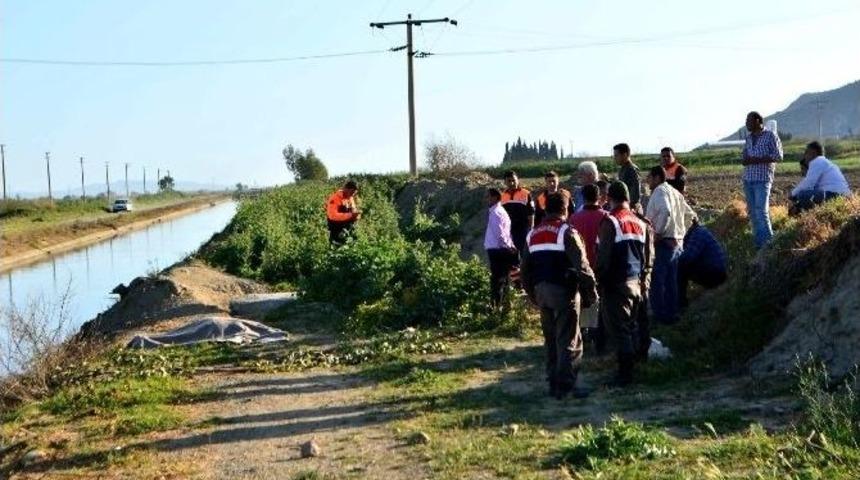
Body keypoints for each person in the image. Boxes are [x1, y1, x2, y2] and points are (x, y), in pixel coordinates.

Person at [521, 193, 597, 399]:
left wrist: (532, 294)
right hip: (564, 293)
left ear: (545, 210)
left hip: (541, 293)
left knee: (551, 339)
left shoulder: (532, 234)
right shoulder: (566, 232)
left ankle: (552, 381)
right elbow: (582, 267)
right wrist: (591, 292)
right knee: (569, 340)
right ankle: (566, 386)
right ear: (565, 210)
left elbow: (524, 269)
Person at [596, 182, 653, 387]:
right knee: (635, 327)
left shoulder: (611, 222)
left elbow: (603, 259)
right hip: (637, 282)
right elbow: (648, 257)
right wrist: (644, 281)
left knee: (620, 331)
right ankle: (640, 365)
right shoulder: (641, 223)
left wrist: (599, 282)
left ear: (610, 198)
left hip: (617, 284)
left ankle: (625, 376)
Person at [644, 166, 695, 325]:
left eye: (649, 177)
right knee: (672, 281)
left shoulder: (660, 191)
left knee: (657, 281)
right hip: (676, 243)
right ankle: (672, 315)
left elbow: (665, 212)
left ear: (657, 178)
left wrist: (658, 233)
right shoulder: (674, 192)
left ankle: (660, 317)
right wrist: (681, 232)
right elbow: (691, 215)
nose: (647, 181)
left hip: (664, 242)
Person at [569, 184, 609, 354]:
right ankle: (599, 340)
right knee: (601, 305)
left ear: (583, 198)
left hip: (581, 269)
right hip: (601, 268)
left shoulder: (574, 219)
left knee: (582, 304)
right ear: (599, 196)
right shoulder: (607, 217)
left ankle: (582, 338)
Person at [741, 111, 783, 248]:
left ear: (758, 121)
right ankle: (759, 244)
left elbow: (778, 156)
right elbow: (745, 156)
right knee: (753, 212)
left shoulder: (770, 135)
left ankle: (769, 243)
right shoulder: (748, 138)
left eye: (749, 120)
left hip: (762, 179)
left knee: (761, 210)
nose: (746, 123)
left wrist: (757, 160)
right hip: (748, 178)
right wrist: (746, 159)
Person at [678, 219, 727, 309]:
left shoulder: (697, 234)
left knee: (681, 267)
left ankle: (680, 304)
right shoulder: (700, 231)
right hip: (717, 271)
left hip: (715, 273)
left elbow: (688, 257)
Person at [789, 141, 850, 213]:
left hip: (834, 195)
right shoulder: (825, 162)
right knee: (804, 195)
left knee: (802, 194)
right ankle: (798, 210)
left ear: (813, 153)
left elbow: (808, 183)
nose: (805, 156)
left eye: (806, 153)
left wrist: (792, 194)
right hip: (840, 195)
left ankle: (799, 210)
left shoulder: (817, 161)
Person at [484, 188, 518, 308]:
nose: (486, 199)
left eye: (488, 197)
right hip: (499, 248)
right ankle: (504, 305)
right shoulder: (498, 211)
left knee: (498, 280)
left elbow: (500, 234)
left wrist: (508, 246)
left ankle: (497, 306)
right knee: (503, 278)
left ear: (495, 198)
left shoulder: (496, 212)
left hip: (498, 249)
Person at [501, 170, 535, 256]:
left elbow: (531, 213)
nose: (512, 183)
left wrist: (530, 230)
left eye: (514, 180)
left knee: (526, 255)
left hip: (523, 230)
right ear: (505, 182)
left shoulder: (526, 194)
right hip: (509, 231)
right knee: (511, 256)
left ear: (518, 180)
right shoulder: (502, 196)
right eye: (509, 181)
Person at [613, 143, 643, 210]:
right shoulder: (623, 169)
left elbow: (635, 193)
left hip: (631, 209)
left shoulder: (632, 169)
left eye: (616, 155)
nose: (614, 158)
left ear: (625, 155)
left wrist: (629, 207)